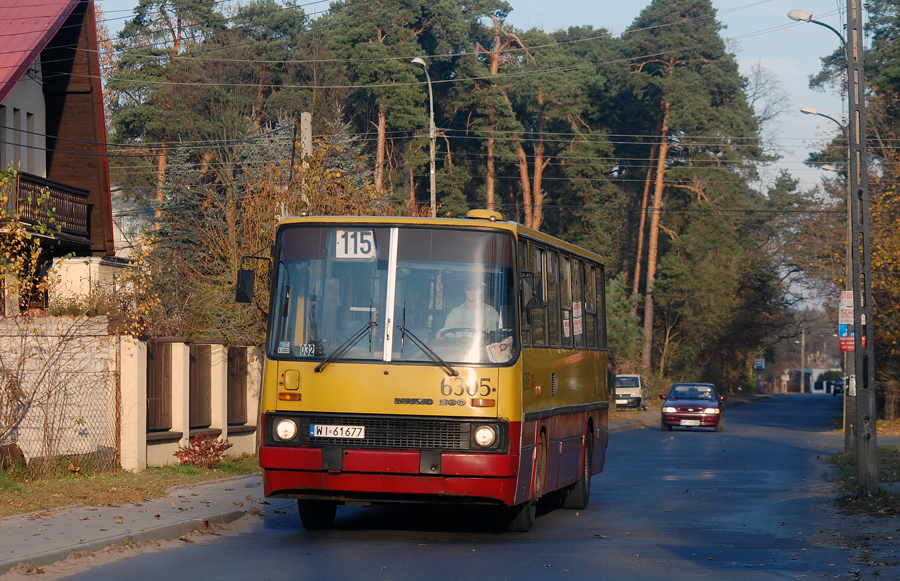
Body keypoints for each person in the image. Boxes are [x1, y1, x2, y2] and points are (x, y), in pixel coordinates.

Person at [435, 278, 500, 340]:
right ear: (464, 290)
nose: (472, 291)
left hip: (481, 350)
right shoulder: (455, 312)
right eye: (468, 288)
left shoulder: (490, 311)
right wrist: (440, 333)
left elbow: (494, 333)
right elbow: (446, 329)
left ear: (481, 290)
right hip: (457, 350)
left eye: (475, 288)